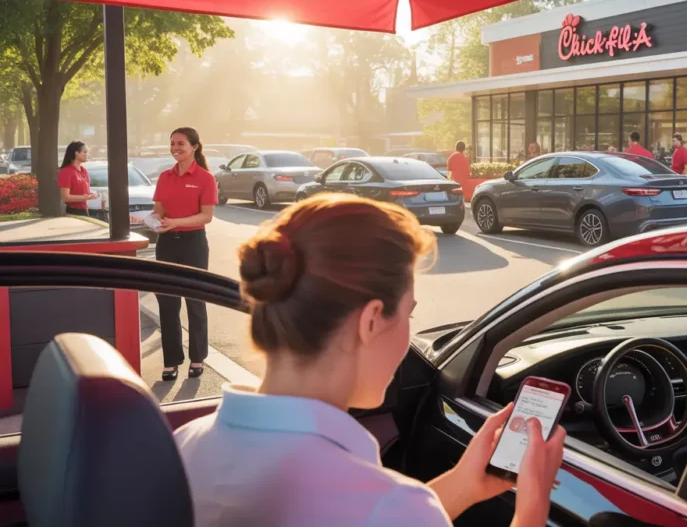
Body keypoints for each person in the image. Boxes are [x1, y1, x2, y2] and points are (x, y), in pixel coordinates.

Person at [174, 194, 566, 527]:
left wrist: (463, 483)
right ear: (372, 320)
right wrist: (531, 509)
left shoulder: (183, 445)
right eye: (408, 315)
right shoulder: (389, 506)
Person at [153, 127, 217, 381]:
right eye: (172, 143)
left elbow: (207, 216)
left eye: (180, 143)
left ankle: (197, 358)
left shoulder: (205, 178)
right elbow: (158, 209)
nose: (175, 148)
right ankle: (171, 361)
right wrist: (152, 219)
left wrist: (176, 222)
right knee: (167, 302)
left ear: (194, 147)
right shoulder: (164, 176)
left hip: (194, 244)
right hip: (166, 243)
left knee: (195, 301)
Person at [57, 141, 99, 217]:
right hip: (73, 212)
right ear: (76, 153)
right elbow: (66, 197)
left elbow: (85, 192)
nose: (87, 155)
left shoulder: (84, 171)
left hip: (85, 211)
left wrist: (93, 195)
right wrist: (85, 197)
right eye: (85, 152)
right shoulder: (66, 171)